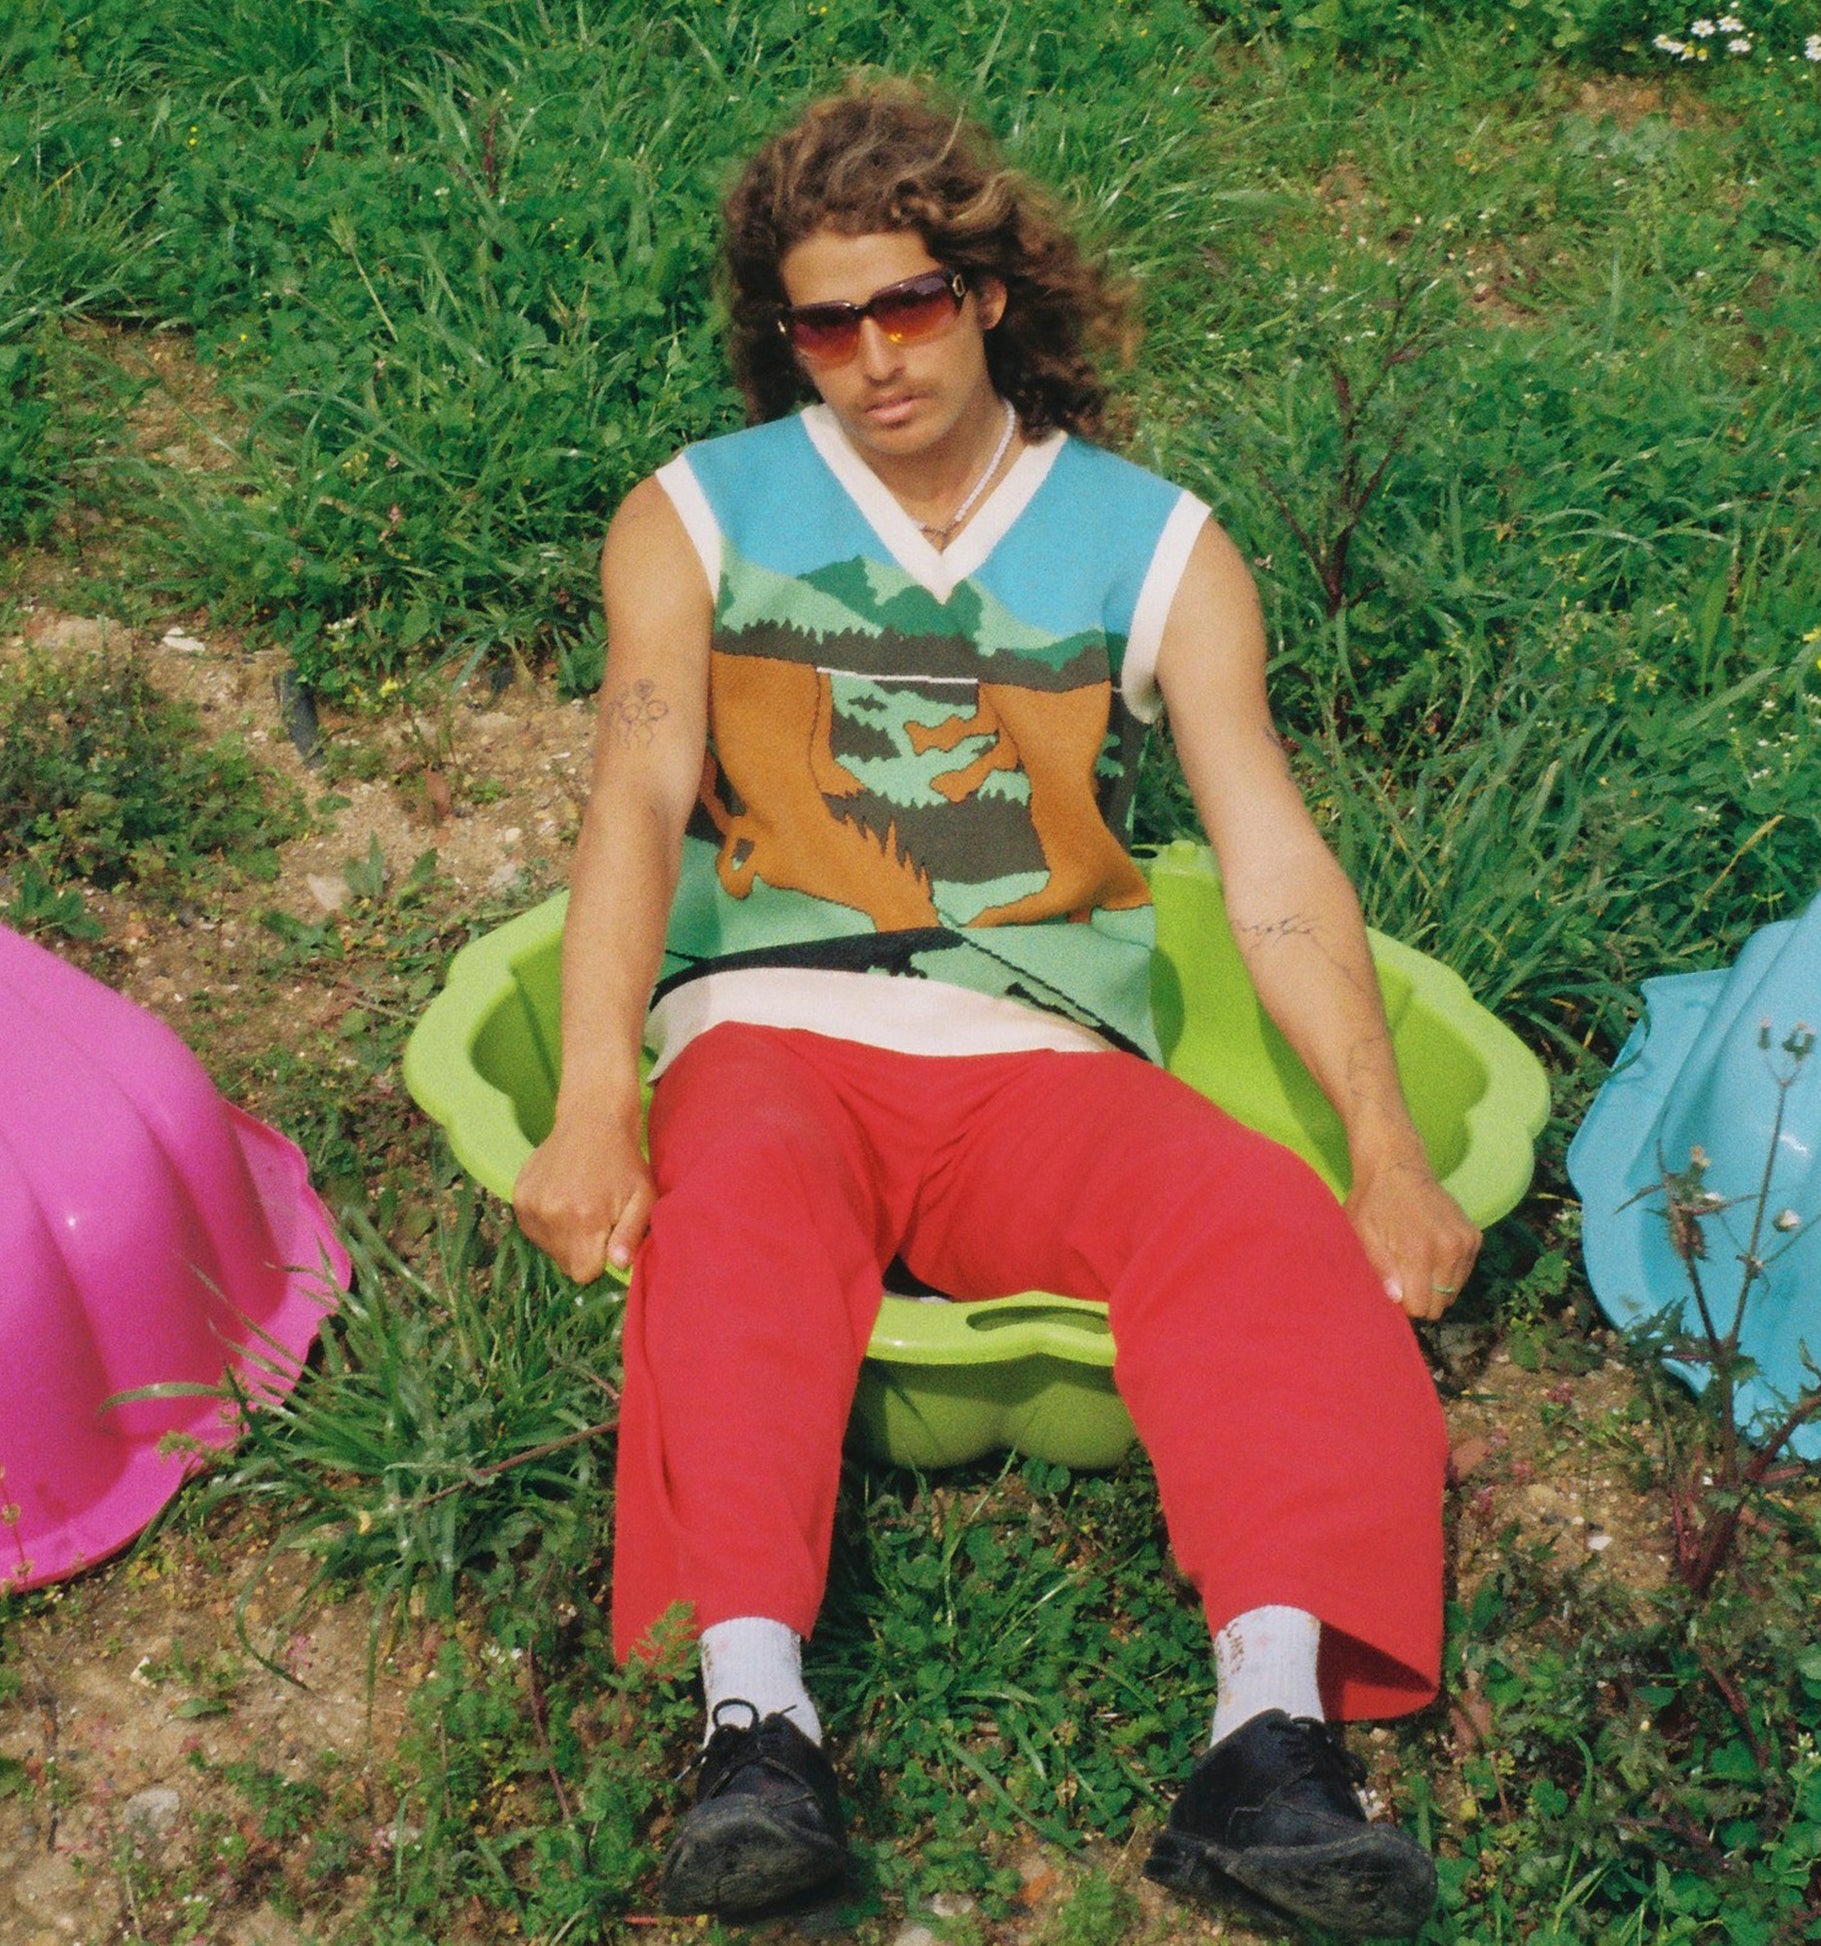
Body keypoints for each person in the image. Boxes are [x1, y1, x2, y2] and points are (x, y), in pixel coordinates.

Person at [513, 78, 1479, 1938]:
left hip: (1036, 1053)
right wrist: (585, 1100)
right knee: (739, 1221)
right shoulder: (699, 515)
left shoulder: (1155, 542)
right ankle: (755, 1725)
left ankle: (1269, 1745)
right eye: (823, 320)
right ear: (780, 332)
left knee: (1256, 1222)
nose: (872, 357)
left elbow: (1264, 857)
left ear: (988, 290)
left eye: (910, 304)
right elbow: (631, 801)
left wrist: (1378, 1142)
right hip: (775, 1022)